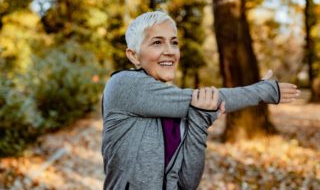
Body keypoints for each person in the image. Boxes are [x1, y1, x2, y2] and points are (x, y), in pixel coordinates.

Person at [101, 11, 300, 190]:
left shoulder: (177, 107)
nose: (170, 50)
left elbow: (188, 183)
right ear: (133, 55)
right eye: (157, 42)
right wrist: (263, 91)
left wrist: (199, 119)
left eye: (174, 42)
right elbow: (210, 98)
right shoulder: (124, 84)